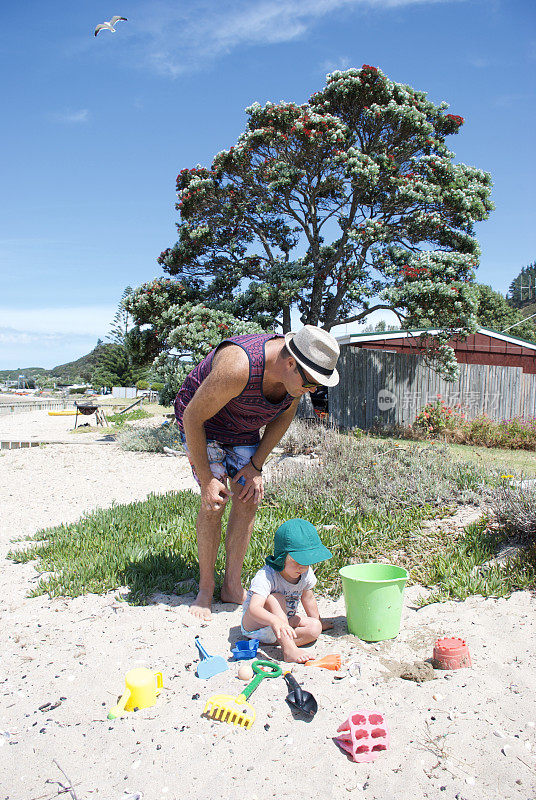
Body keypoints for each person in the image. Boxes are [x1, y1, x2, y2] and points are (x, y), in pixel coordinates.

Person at [174, 325, 340, 620]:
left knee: (250, 496)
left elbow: (283, 417)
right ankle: (205, 588)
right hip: (203, 424)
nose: (313, 391)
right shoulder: (239, 366)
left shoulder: (293, 381)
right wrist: (208, 480)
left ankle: (231, 586)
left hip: (242, 427)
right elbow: (192, 417)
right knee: (214, 503)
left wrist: (256, 466)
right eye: (311, 383)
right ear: (291, 363)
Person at [241, 519, 333, 663]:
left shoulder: (305, 573)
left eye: (306, 562)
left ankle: (280, 642)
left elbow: (308, 598)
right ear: (282, 557)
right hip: (256, 626)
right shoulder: (266, 576)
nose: (302, 567)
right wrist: (274, 621)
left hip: (283, 625)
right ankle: (289, 650)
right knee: (275, 598)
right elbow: (254, 609)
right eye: (297, 561)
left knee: (315, 628)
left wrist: (319, 620)